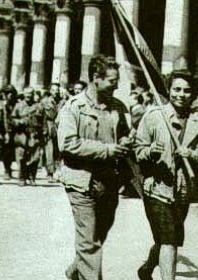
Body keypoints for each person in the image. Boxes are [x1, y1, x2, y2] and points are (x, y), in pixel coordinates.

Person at [135, 70, 198, 280]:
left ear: (193, 93)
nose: (181, 94)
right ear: (169, 90)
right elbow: (137, 150)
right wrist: (150, 151)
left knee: (165, 239)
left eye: (187, 90)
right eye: (177, 89)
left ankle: (147, 268)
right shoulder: (154, 116)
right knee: (170, 239)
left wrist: (191, 154)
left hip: (183, 190)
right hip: (157, 188)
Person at [57, 55, 131, 280]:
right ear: (95, 79)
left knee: (98, 236)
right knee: (89, 243)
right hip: (81, 183)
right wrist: (107, 150)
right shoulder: (73, 107)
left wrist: (128, 141)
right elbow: (67, 143)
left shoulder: (118, 107)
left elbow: (126, 135)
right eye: (112, 80)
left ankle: (76, 271)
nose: (116, 85)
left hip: (109, 183)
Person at [11, 87, 45, 186]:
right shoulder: (18, 106)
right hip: (22, 135)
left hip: (34, 135)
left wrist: (44, 134)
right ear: (23, 94)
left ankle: (31, 177)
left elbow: (43, 121)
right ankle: (22, 177)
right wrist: (19, 122)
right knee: (22, 157)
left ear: (33, 94)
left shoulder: (38, 106)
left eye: (30, 93)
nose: (28, 95)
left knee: (35, 158)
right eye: (26, 93)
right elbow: (12, 119)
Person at [41, 82, 62, 183]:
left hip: (58, 127)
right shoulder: (45, 102)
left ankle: (57, 172)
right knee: (49, 151)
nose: (56, 92)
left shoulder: (62, 102)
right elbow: (42, 117)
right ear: (50, 91)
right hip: (49, 126)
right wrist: (44, 129)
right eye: (54, 90)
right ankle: (50, 173)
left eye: (57, 90)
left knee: (58, 151)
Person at [0, 85, 18, 180]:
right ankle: (7, 169)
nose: (10, 95)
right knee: (6, 151)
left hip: (14, 130)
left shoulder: (16, 104)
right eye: (8, 93)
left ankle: (9, 169)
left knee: (12, 151)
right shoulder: (2, 104)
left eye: (11, 93)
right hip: (4, 130)